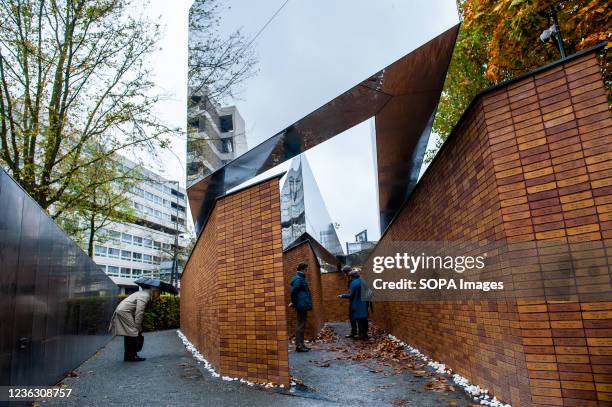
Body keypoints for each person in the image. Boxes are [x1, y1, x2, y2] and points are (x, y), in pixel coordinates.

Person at [109, 286, 161, 361]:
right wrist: (138, 326)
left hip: (123, 311)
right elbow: (139, 312)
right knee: (133, 332)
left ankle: (129, 356)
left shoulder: (145, 294)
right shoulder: (145, 296)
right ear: (155, 291)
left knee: (129, 334)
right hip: (125, 312)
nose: (159, 295)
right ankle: (131, 357)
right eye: (159, 293)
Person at [338, 269, 369, 340]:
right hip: (364, 303)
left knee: (358, 319)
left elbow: (351, 295)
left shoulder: (354, 283)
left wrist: (342, 295)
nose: (349, 277)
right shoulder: (363, 281)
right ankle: (365, 334)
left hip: (356, 303)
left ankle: (360, 335)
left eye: (350, 276)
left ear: (352, 276)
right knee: (364, 319)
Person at [290, 262, 312, 352]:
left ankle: (301, 344)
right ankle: (299, 346)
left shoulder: (300, 278)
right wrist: (294, 303)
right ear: (303, 269)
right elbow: (293, 292)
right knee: (300, 325)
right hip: (301, 305)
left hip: (302, 304)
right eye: (306, 269)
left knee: (301, 325)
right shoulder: (298, 279)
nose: (307, 271)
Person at [341, 265, 358, 339]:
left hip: (356, 300)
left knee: (359, 318)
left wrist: (344, 295)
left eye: (345, 273)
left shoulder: (354, 278)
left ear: (348, 271)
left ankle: (361, 333)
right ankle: (354, 332)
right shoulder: (350, 278)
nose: (345, 275)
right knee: (352, 317)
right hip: (354, 300)